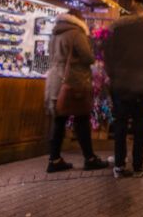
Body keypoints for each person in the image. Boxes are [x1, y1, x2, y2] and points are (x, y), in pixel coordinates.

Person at [44, 9, 109, 173]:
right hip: (73, 81)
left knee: (58, 120)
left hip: (55, 80)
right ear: (78, 20)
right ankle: (90, 158)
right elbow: (87, 57)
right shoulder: (76, 33)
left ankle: (54, 159)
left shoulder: (55, 33)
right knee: (82, 119)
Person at [104, 3, 143, 178]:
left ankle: (119, 165)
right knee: (139, 125)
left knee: (120, 124)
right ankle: (137, 166)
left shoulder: (117, 30)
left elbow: (107, 55)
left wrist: (113, 75)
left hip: (120, 83)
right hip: (141, 83)